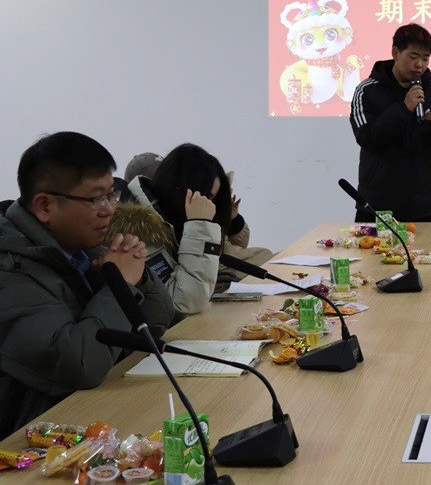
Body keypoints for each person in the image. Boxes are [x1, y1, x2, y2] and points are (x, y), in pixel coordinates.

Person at [0, 132, 175, 437]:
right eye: (96, 199)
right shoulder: (9, 269)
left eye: (111, 194)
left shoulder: (83, 246)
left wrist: (140, 277)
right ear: (44, 206)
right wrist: (121, 283)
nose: (109, 209)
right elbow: (79, 367)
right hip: (36, 442)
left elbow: (159, 321)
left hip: (96, 416)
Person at [349, 23, 431, 222]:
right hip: (378, 206)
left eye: (425, 58)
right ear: (395, 53)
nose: (419, 64)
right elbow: (368, 139)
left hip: (427, 206)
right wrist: (404, 108)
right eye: (413, 57)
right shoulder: (367, 90)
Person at [121, 152, 272, 288]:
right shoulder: (148, 228)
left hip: (215, 269)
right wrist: (199, 224)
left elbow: (230, 246)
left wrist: (231, 219)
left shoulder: (187, 209)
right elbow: (183, 296)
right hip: (208, 278)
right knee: (266, 262)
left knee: (266, 257)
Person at [111, 144, 230, 316]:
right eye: (206, 196)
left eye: (212, 198)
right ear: (181, 188)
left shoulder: (168, 218)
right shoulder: (137, 227)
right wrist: (200, 224)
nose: (209, 205)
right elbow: (184, 303)